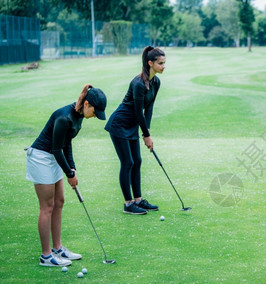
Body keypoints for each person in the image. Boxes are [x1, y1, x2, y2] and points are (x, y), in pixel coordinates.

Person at [26, 84, 107, 267]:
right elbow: (56, 148)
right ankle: (46, 256)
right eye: (95, 111)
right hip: (41, 158)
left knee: (59, 201)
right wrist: (69, 173)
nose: (95, 116)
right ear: (87, 104)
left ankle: (57, 248)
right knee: (47, 206)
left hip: (54, 157)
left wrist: (73, 168)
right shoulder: (64, 117)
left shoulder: (78, 116)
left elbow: (67, 143)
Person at [105, 46, 166, 215]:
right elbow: (138, 111)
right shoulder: (138, 83)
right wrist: (145, 135)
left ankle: (138, 200)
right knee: (128, 163)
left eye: (164, 63)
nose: (163, 66)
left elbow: (149, 109)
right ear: (150, 63)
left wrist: (147, 132)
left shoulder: (156, 82)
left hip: (131, 126)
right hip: (119, 124)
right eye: (160, 63)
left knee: (137, 161)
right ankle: (128, 203)